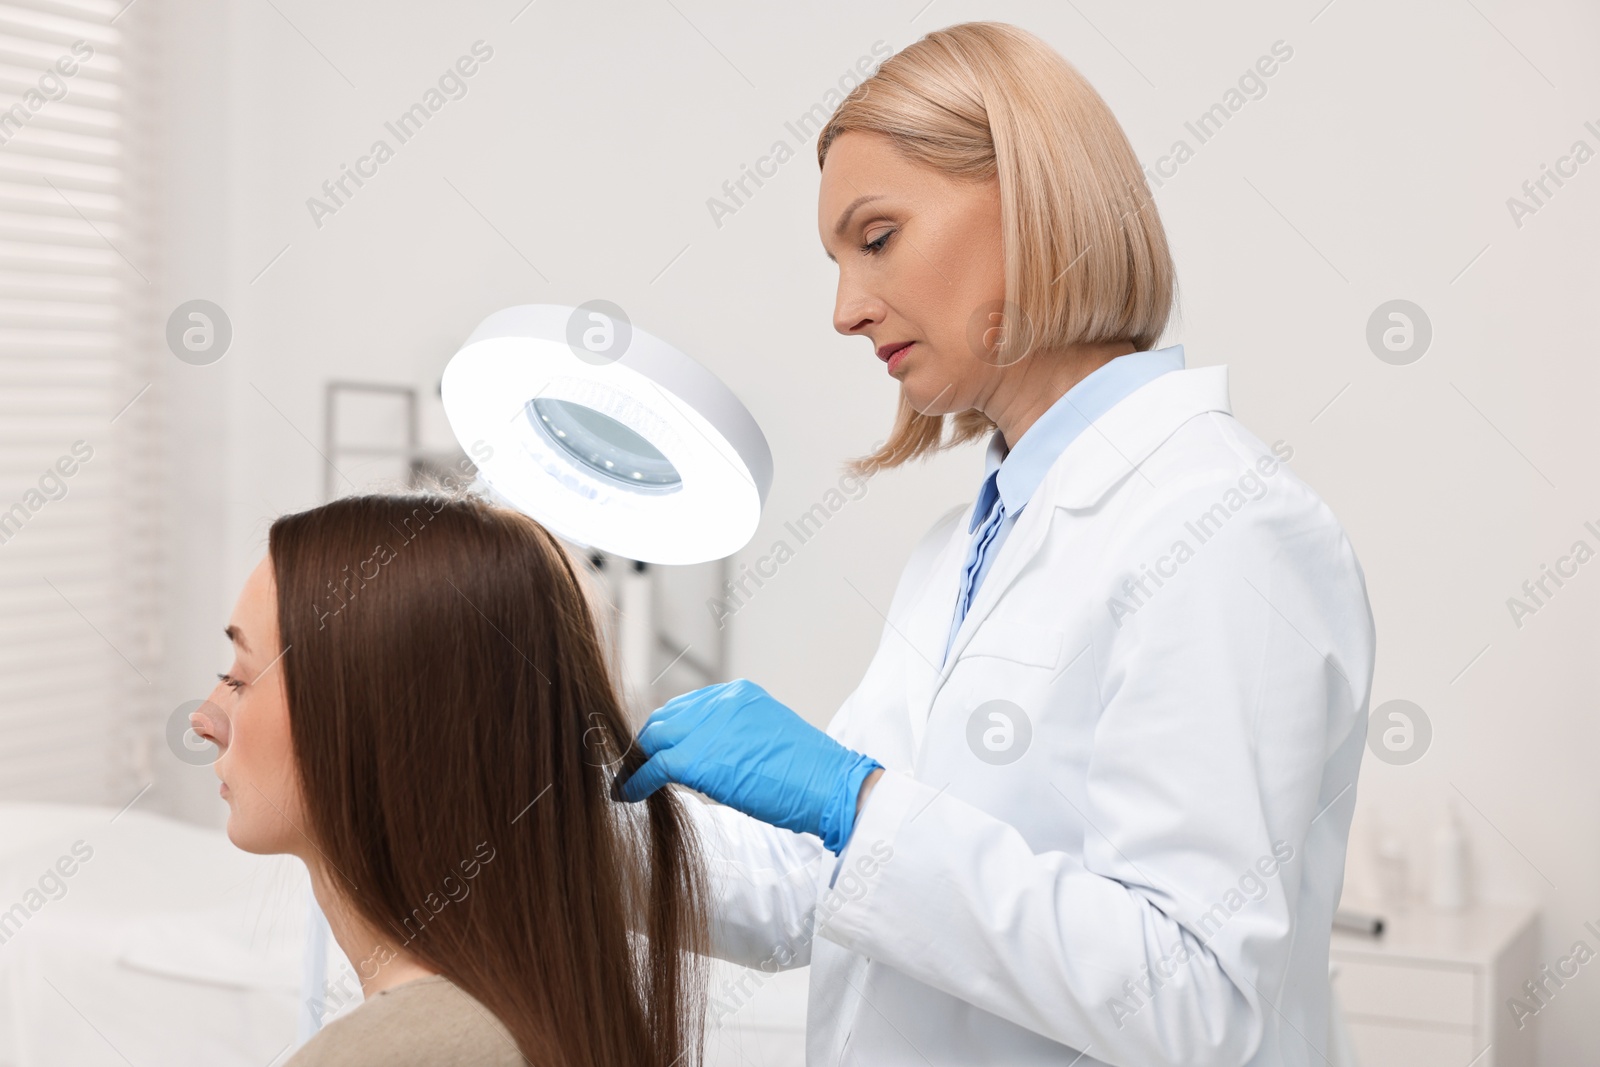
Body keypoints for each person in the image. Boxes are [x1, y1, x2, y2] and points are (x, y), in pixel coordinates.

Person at [618, 20, 1377, 1067]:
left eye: (875, 237)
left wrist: (857, 800)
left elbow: (1196, 997)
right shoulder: (962, 546)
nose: (843, 310)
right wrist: (552, 837)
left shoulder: (1222, 524)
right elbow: (821, 886)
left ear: (1033, 203)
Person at [190, 491, 709, 1067]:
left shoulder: (394, 1054)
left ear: (371, 718)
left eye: (238, 677)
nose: (203, 719)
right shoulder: (553, 1010)